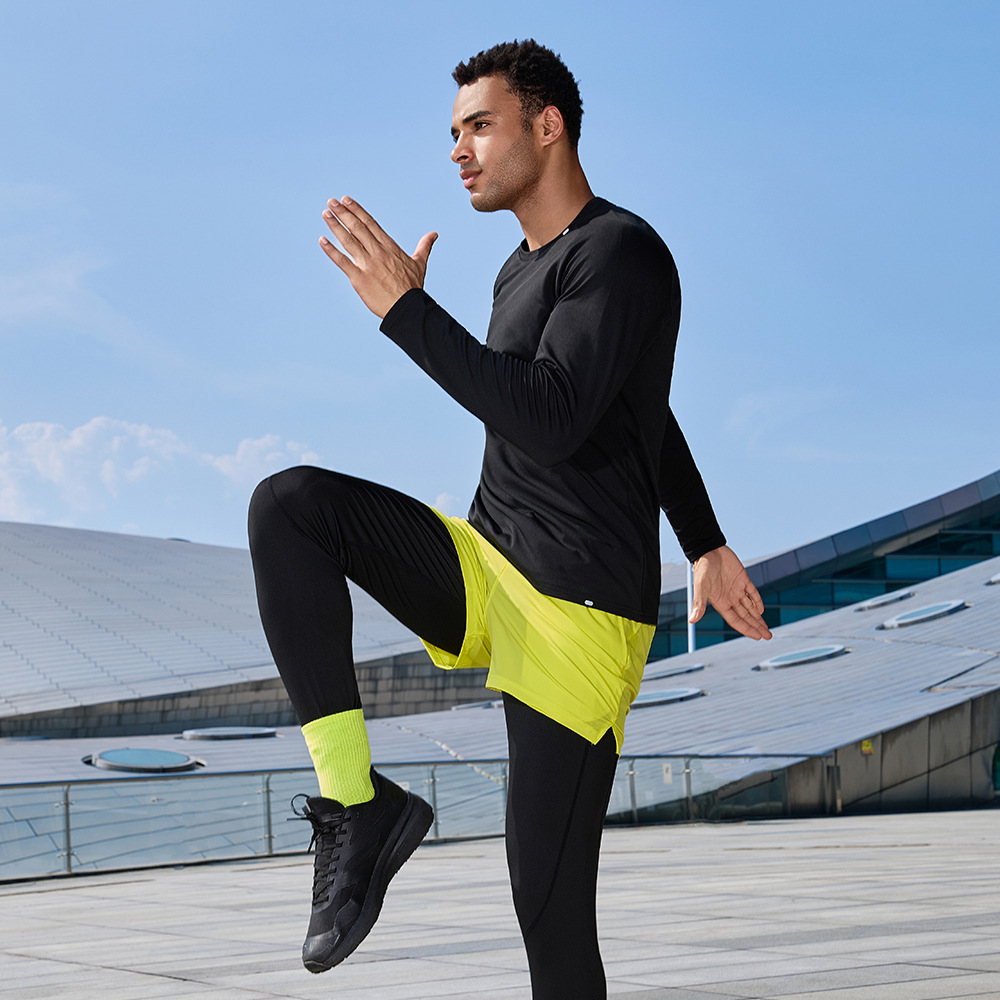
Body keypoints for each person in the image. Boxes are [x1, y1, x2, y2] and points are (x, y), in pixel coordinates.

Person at [248, 38, 771, 1000]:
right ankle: (358, 809)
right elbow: (642, 417)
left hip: (580, 612)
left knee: (549, 911)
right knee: (289, 507)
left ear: (547, 124)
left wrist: (409, 313)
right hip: (492, 561)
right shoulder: (514, 273)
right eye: (453, 133)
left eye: (478, 126)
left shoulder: (623, 251)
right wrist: (707, 542)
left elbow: (561, 413)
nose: (459, 150)